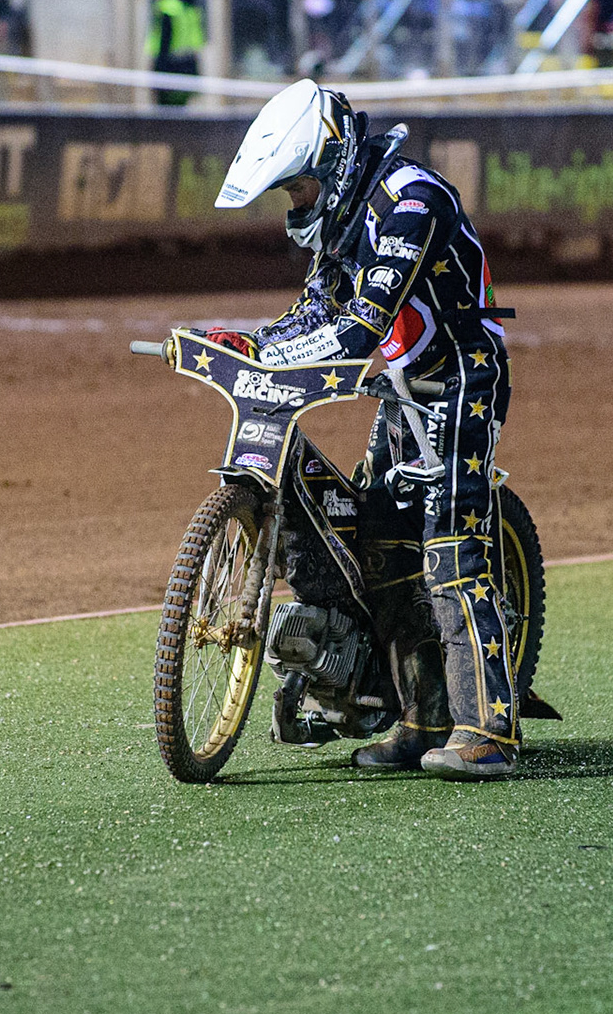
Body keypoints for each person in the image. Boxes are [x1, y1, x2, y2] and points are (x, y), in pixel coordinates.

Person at [205, 80, 519, 780]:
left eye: (301, 190)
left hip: (461, 377)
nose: (298, 207)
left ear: (338, 160)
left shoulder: (412, 199)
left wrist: (273, 350)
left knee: (451, 548)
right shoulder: (348, 215)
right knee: (382, 546)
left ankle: (487, 732)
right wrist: (242, 343)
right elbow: (313, 313)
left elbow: (359, 326)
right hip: (402, 383)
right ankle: (422, 720)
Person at [146, 0, 205, 106]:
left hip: (169, 68)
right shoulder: (190, 6)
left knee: (166, 116)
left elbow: (164, 42)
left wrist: (158, 73)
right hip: (189, 65)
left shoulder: (167, 7)